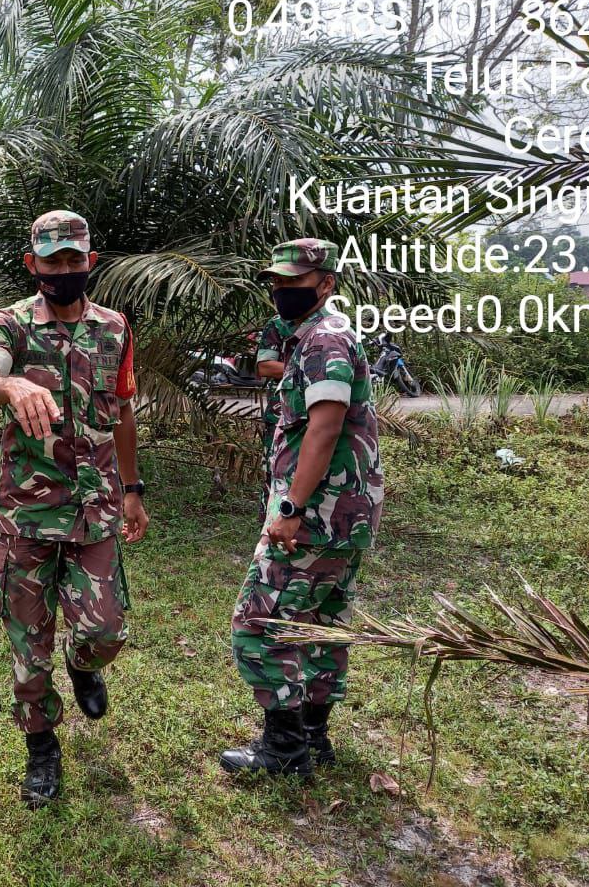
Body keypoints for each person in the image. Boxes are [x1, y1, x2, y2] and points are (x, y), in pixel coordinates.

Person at [0, 209, 150, 808]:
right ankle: (42, 748)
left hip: (94, 508)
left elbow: (121, 411)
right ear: (33, 264)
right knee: (28, 643)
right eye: (52, 261)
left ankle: (84, 664)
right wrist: (13, 385)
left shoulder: (115, 328)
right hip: (25, 513)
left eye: (74, 260)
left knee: (106, 628)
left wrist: (132, 489)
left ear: (89, 262)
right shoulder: (10, 325)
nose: (64, 270)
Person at [222, 238, 383, 779]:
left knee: (257, 624)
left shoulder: (324, 341)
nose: (283, 291)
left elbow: (326, 424)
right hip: (345, 513)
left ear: (327, 284)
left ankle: (284, 750)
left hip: (315, 514)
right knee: (319, 623)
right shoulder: (317, 337)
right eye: (278, 282)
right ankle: (313, 737)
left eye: (295, 282)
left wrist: (291, 505)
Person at [254, 313, 293, 509]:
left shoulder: (333, 324)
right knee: (276, 468)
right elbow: (266, 366)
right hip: (281, 413)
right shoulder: (279, 324)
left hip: (319, 411)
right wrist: (307, 368)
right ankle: (271, 522)